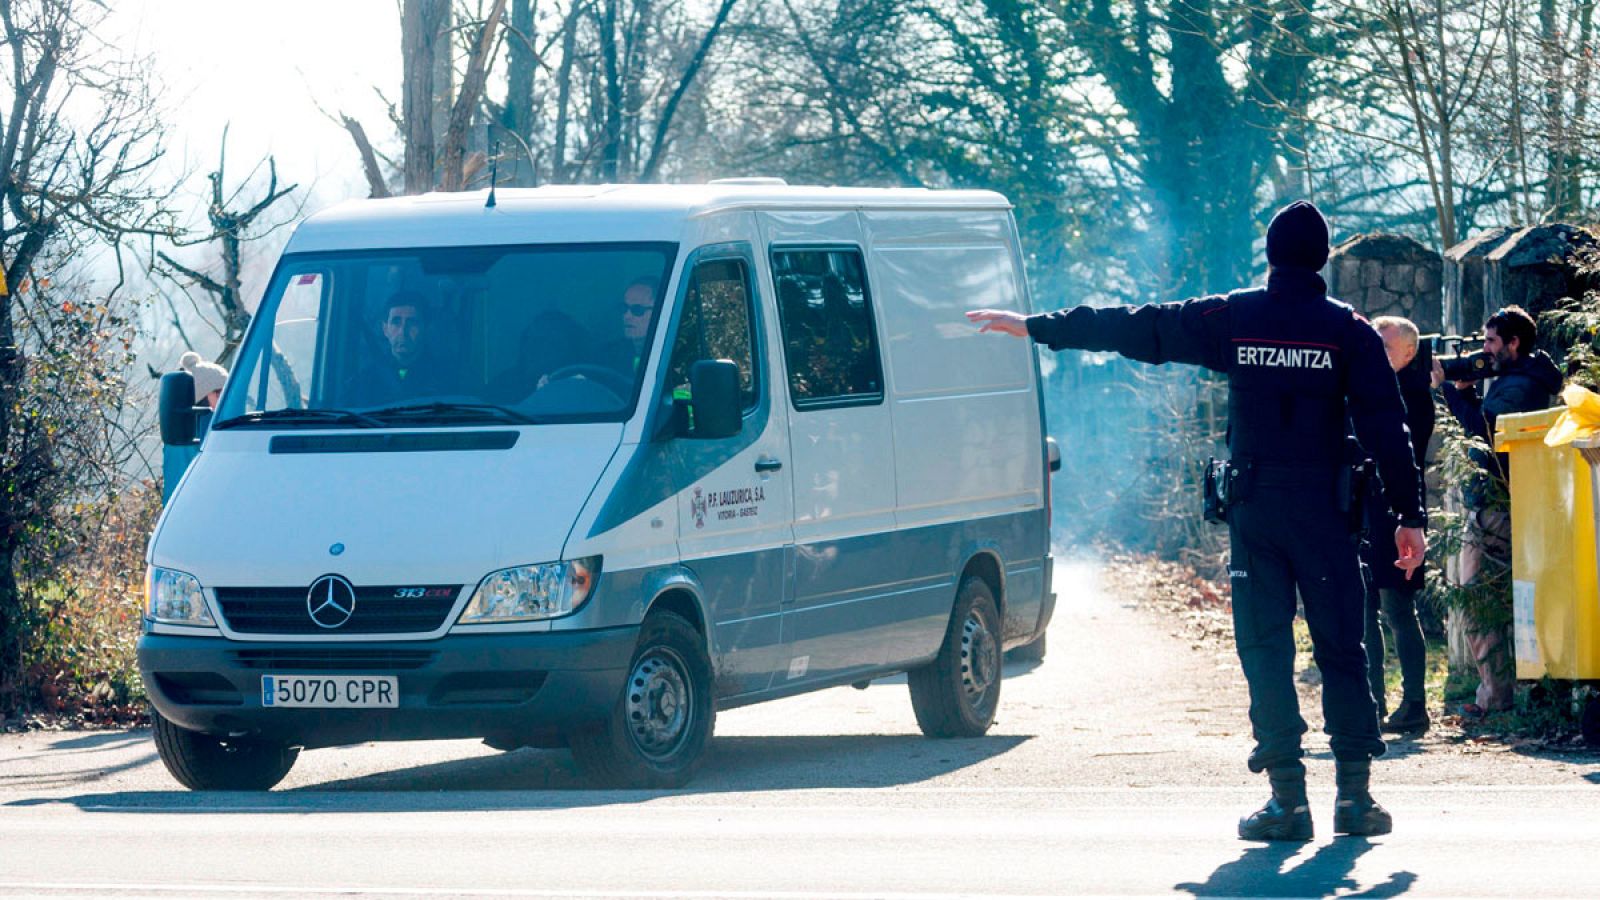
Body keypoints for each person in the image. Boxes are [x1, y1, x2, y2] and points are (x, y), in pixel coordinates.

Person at [967, 200, 1426, 842]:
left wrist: (1039, 326)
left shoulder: (1236, 315)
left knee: (1265, 648)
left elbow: (1143, 327)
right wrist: (1410, 517)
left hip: (1257, 510)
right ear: (1323, 259)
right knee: (1342, 648)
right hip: (1326, 512)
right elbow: (1388, 430)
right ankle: (1354, 800)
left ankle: (1287, 803)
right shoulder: (1348, 330)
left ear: (1270, 255)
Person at [1432, 304, 1562, 717]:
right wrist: (1467, 389)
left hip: (1495, 507)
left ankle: (1496, 695)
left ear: (1513, 343)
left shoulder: (1519, 386)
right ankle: (1503, 694)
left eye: (1491, 341)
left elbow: (1485, 435)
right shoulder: (1520, 377)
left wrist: (1450, 390)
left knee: (1477, 599)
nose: (1484, 350)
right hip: (1502, 502)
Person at [1360, 316, 1436, 734]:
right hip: (1364, 511)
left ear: (1409, 353)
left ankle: (1414, 705)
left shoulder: (1412, 394)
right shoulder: (1366, 390)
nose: (1378, 354)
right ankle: (1371, 703)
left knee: (1398, 609)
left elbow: (1407, 455)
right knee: (1365, 608)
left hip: (1398, 514)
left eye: (1387, 347)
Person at [344, 291, 456, 405]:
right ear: (385, 329)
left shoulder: (448, 379)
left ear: (425, 328)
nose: (403, 332)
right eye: (396, 322)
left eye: (412, 322)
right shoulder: (364, 381)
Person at [163, 351, 229, 502]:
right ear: (201, 397)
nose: (225, 399)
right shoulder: (184, 437)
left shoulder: (229, 427)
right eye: (218, 393)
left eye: (228, 392)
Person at [486, 310, 589, 403]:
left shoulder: (584, 383)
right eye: (535, 341)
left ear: (568, 349)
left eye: (551, 343)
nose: (539, 348)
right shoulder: (504, 384)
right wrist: (540, 397)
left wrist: (579, 390)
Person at [596, 279, 659, 380]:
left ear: (659, 312)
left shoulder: (673, 357)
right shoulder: (608, 355)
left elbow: (681, 393)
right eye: (624, 308)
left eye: (637, 310)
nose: (627, 316)